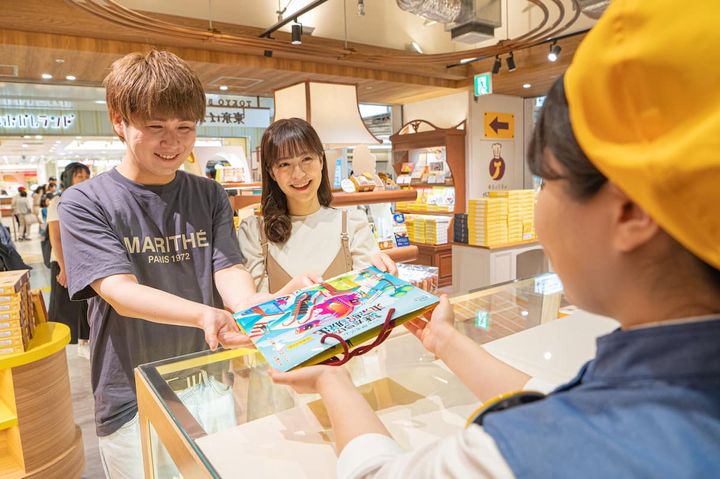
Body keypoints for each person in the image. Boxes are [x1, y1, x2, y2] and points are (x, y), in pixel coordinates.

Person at [269, 2, 720, 477]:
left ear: (630, 211)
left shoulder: (575, 447)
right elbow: (555, 404)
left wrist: (333, 380)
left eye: (547, 181)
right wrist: (445, 340)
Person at [57, 50, 314, 478]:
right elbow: (118, 290)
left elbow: (227, 267)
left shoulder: (209, 194)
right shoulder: (85, 201)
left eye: (185, 128)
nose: (172, 143)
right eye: (155, 127)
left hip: (208, 379)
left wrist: (252, 307)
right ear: (119, 121)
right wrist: (205, 315)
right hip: (131, 395)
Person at [238, 118, 396, 293]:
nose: (298, 174)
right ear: (272, 173)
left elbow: (370, 295)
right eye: (284, 164)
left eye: (306, 159)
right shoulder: (254, 232)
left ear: (321, 160)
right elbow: (254, 304)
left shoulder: (352, 223)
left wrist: (385, 279)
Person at [47, 163, 91, 355]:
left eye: (86, 176)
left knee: (85, 301)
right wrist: (64, 267)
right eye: (79, 176)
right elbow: (55, 237)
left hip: (84, 258)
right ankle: (64, 345)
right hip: (63, 260)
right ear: (68, 178)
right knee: (64, 305)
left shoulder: (87, 199)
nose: (84, 180)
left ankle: (84, 341)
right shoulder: (57, 201)